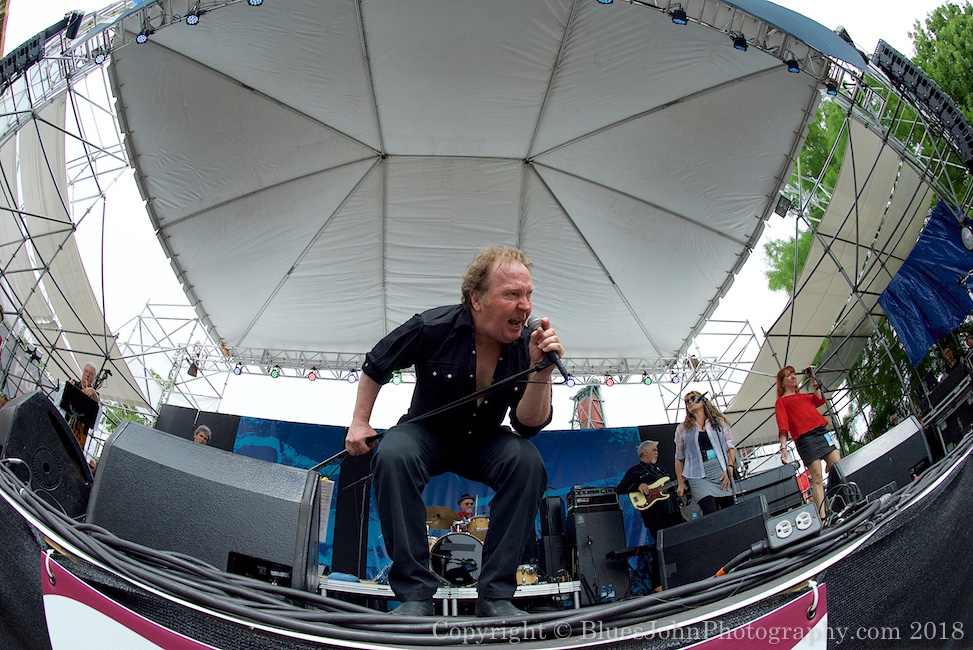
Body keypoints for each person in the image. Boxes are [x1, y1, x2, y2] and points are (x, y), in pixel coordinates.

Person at [344, 245, 562, 618]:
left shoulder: (528, 345)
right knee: (393, 454)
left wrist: (541, 370)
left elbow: (527, 426)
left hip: (485, 439)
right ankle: (414, 598)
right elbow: (375, 364)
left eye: (528, 295)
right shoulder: (432, 327)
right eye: (511, 294)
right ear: (476, 300)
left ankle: (495, 596)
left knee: (527, 463)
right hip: (425, 433)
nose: (524, 306)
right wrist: (360, 421)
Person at [615, 440, 684, 590]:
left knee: (684, 536)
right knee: (661, 545)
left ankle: (683, 574)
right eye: (654, 449)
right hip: (656, 515)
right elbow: (620, 488)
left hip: (673, 510)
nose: (657, 452)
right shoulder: (636, 471)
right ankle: (657, 583)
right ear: (644, 452)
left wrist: (679, 487)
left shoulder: (661, 470)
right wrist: (637, 485)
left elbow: (674, 484)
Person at [775, 366, 841, 517]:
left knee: (838, 465)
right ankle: (822, 517)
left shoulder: (804, 397)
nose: (793, 377)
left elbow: (819, 399)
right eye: (788, 376)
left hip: (821, 432)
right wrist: (784, 448)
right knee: (817, 477)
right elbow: (783, 425)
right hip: (805, 438)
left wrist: (812, 378)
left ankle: (840, 501)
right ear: (782, 383)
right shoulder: (781, 402)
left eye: (793, 374)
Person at [674, 391, 736, 515]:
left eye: (693, 398)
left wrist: (729, 469)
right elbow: (679, 458)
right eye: (687, 402)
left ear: (703, 401)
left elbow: (730, 448)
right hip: (697, 475)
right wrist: (681, 483)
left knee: (730, 511)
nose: (690, 402)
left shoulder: (718, 422)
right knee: (710, 511)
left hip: (720, 470)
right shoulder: (682, 428)